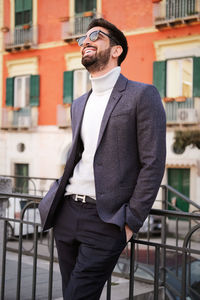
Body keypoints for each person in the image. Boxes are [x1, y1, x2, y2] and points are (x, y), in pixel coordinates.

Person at [39, 18, 166, 300]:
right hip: (66, 213)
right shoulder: (79, 103)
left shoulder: (142, 95)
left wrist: (131, 221)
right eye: (83, 39)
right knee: (71, 291)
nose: (86, 41)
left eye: (95, 35)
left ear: (116, 49)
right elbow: (80, 156)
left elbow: (153, 163)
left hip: (106, 221)